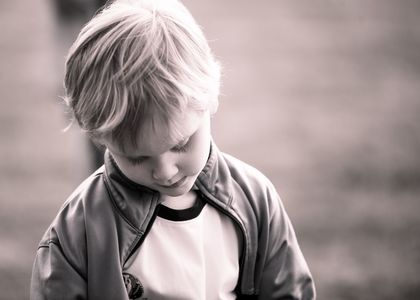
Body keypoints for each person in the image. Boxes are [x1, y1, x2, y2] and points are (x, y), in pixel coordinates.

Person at [30, 0, 316, 299]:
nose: (165, 171)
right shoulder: (80, 229)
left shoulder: (255, 200)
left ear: (211, 98)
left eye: (180, 144)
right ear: (99, 138)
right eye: (137, 157)